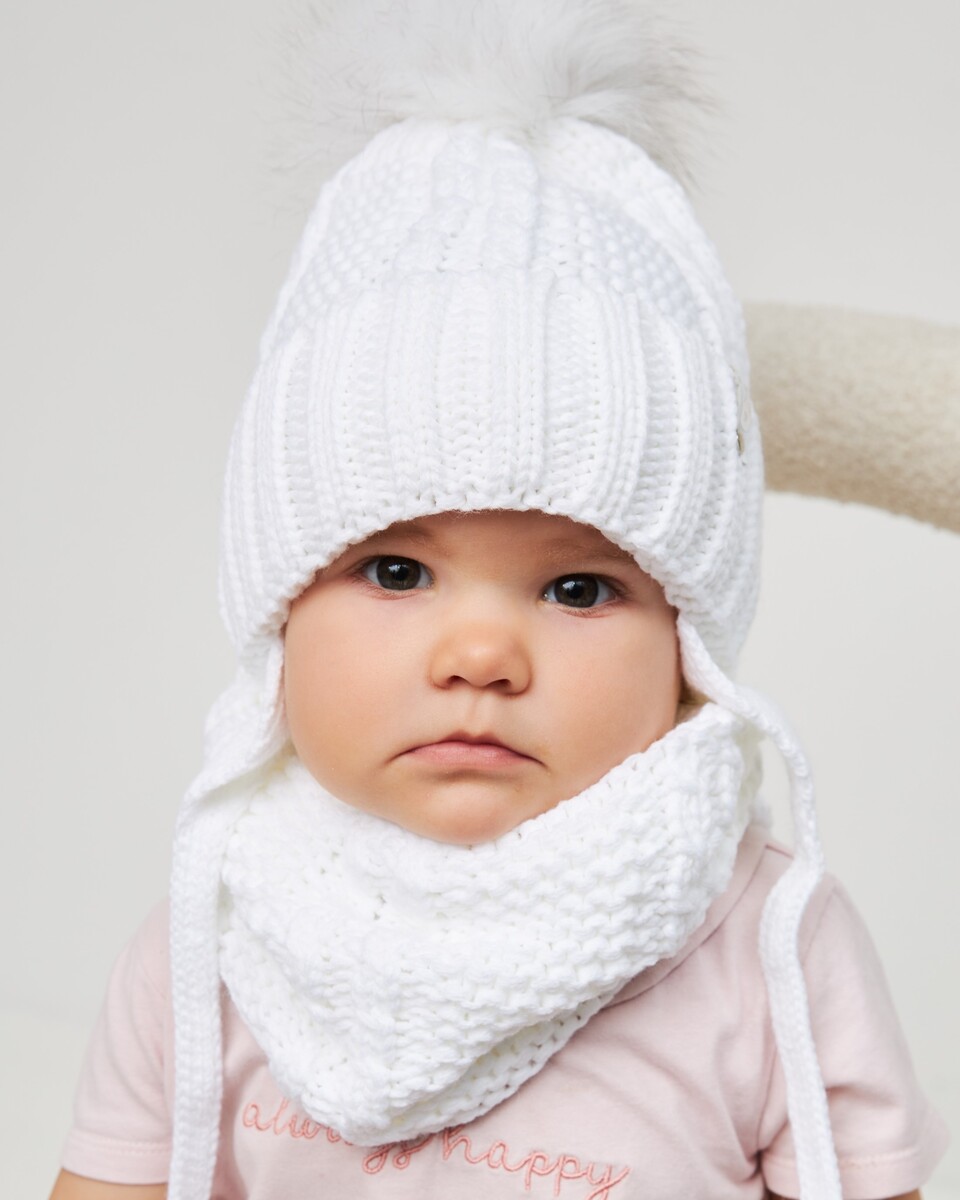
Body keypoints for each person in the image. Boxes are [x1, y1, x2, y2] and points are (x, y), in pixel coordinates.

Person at [48, 2, 949, 1198]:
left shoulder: (766, 943)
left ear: (692, 649)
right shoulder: (214, 935)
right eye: (396, 571)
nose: (480, 653)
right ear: (276, 613)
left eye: (578, 587)